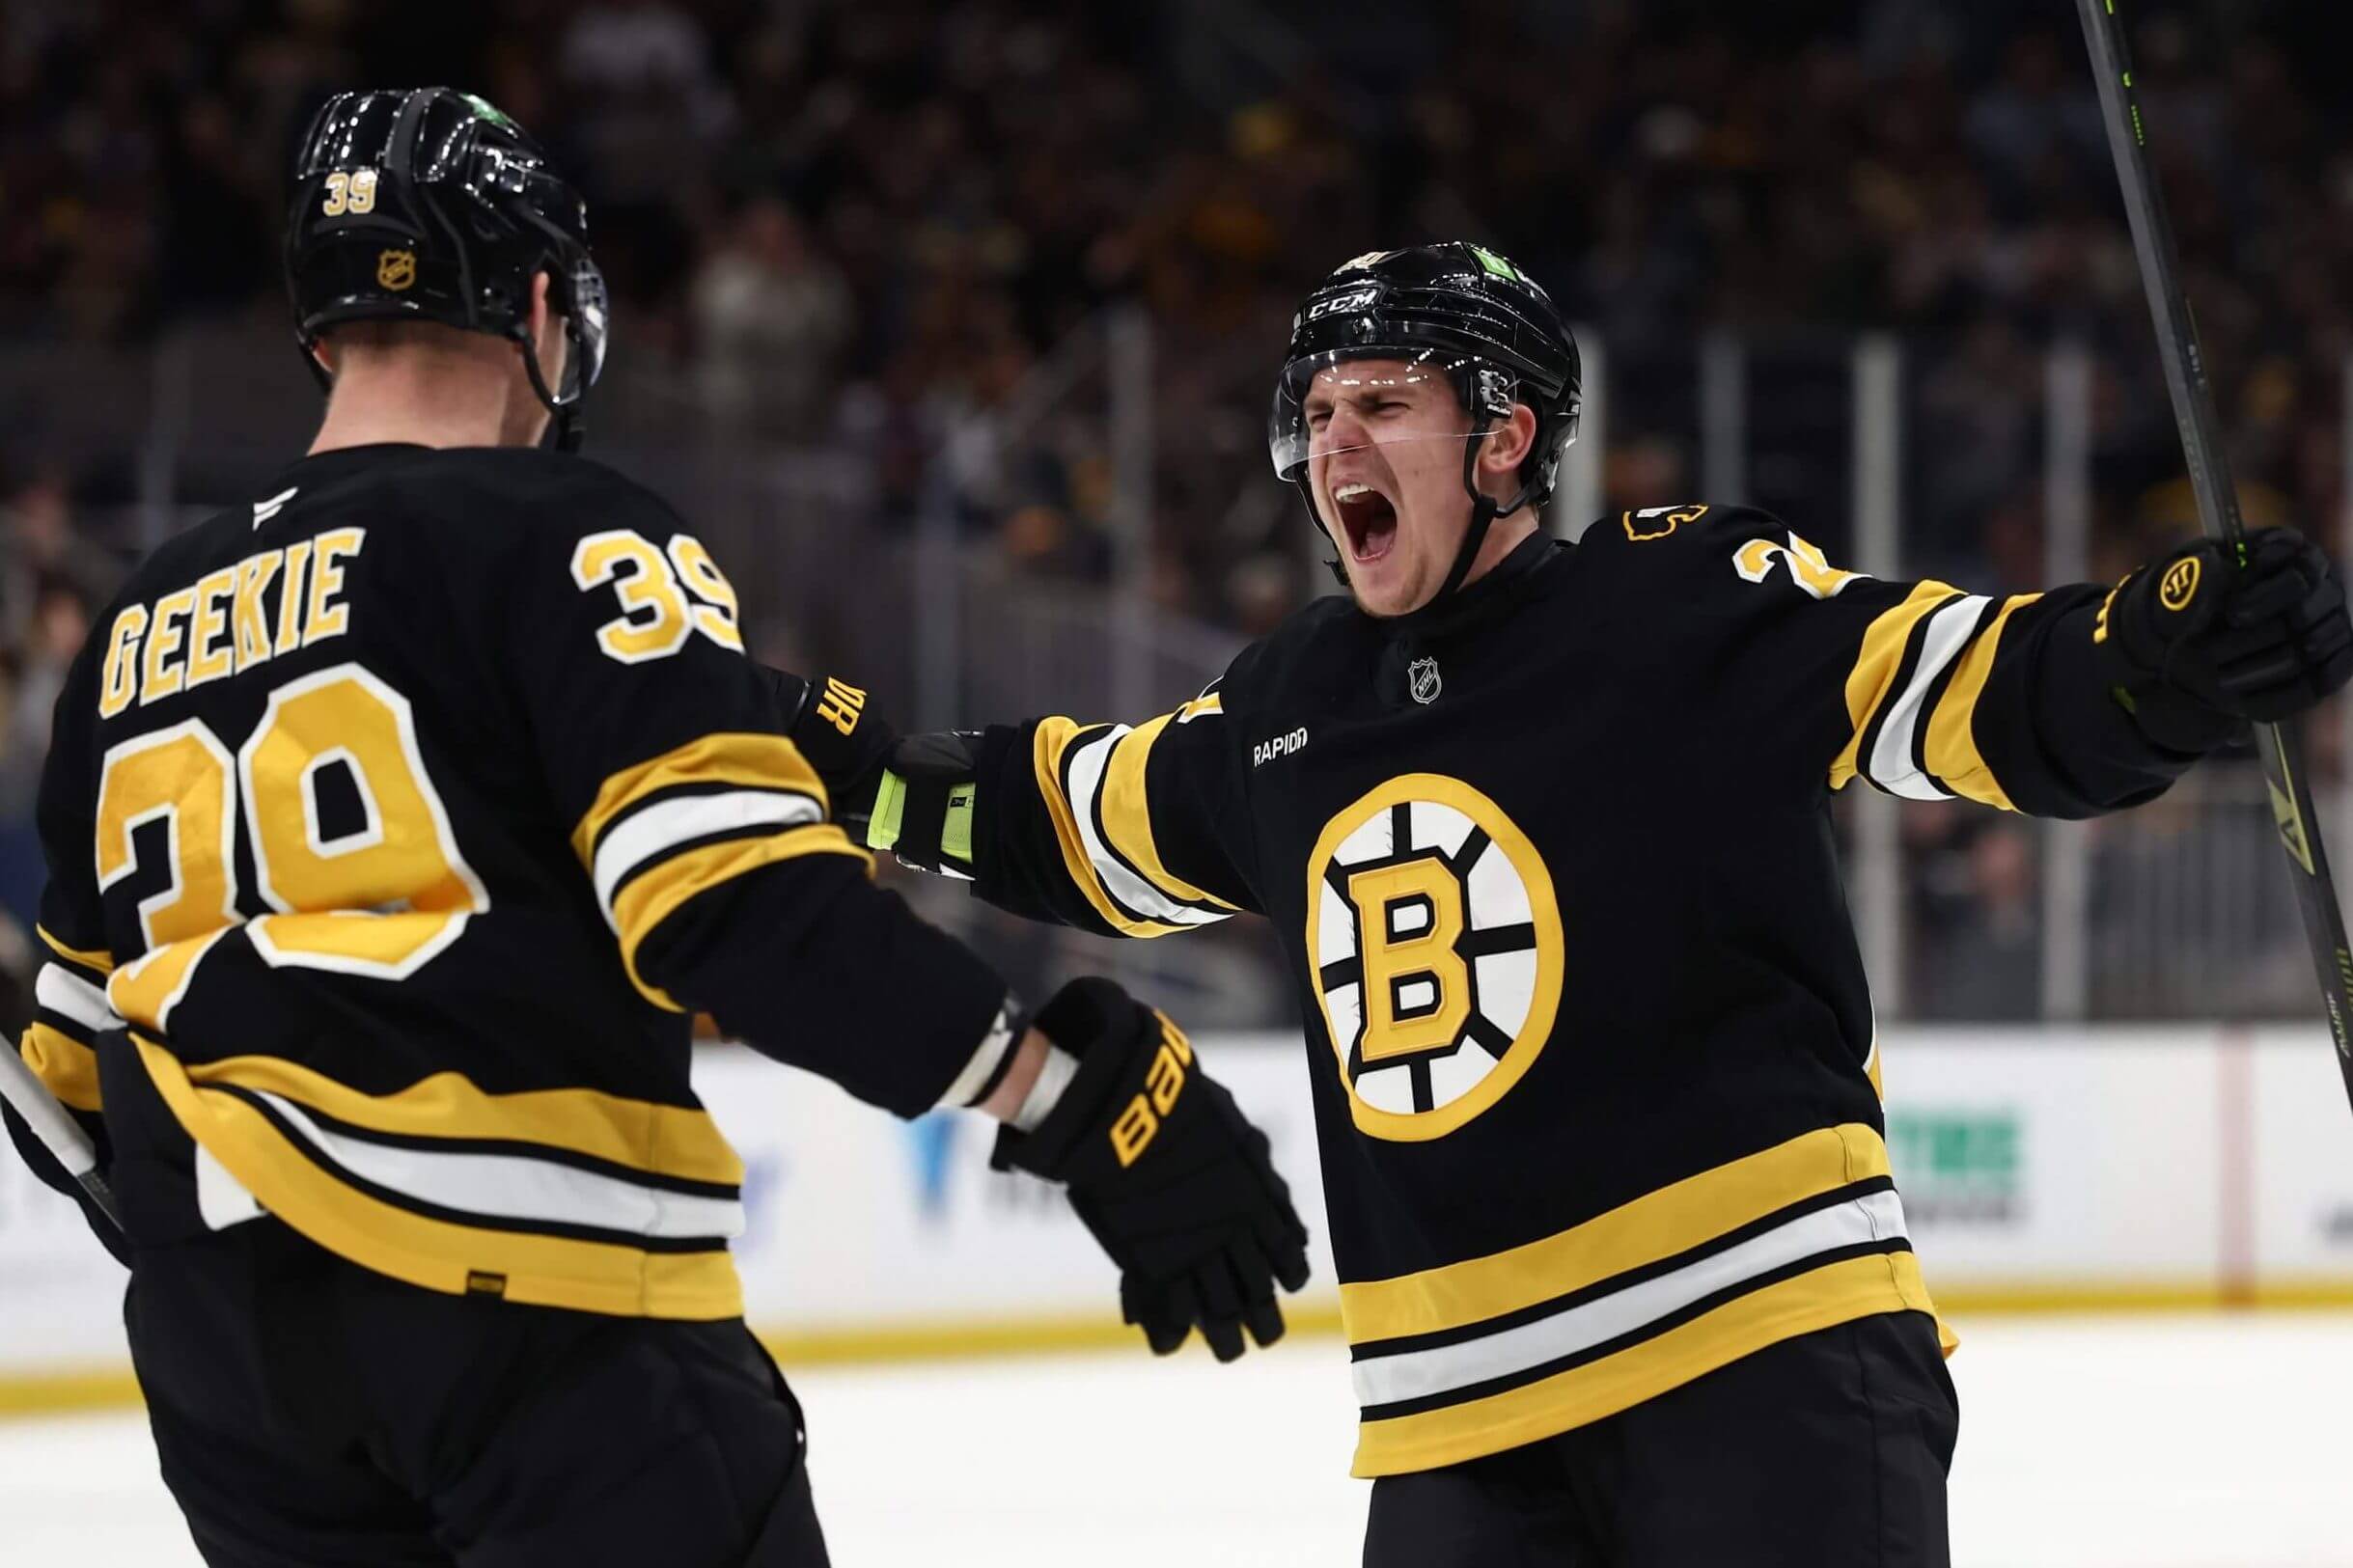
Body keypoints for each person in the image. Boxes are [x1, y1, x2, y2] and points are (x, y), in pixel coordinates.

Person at [805, 241, 2353, 1566]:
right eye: (1320, 411)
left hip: (1760, 1360)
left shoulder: (1681, 606)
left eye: (1384, 403)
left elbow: (1973, 689)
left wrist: (2163, 652)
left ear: (1504, 436)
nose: (1335, 442)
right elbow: (1045, 814)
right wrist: (795, 743)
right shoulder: (1284, 712)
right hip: (1454, 1435)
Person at [0, 88, 1307, 1568]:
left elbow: (60, 1071)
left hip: (229, 1394)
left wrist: (262, 1240)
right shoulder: (566, 533)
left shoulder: (133, 626)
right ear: (543, 305)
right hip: (535, 1336)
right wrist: (1063, 1095)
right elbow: (738, 914)